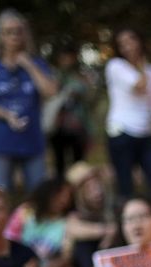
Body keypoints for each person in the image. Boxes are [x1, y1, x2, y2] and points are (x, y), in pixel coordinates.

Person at [0, 9, 58, 193]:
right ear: (0, 36)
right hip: (0, 141)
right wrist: (6, 115)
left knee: (39, 194)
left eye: (19, 31)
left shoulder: (36, 63)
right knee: (1, 194)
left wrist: (28, 64)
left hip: (32, 140)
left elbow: (50, 92)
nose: (15, 36)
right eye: (9, 32)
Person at [105, 28, 151, 204]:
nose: (127, 46)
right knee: (126, 189)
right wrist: (140, 65)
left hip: (146, 133)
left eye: (130, 40)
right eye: (122, 44)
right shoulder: (116, 67)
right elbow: (140, 85)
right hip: (122, 132)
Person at [4, 178, 79, 267]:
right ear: (47, 193)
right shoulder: (25, 212)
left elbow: (67, 254)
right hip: (21, 264)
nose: (64, 200)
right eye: (60, 194)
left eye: (68, 196)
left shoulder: (68, 220)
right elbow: (8, 241)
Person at [46, 44, 97, 178]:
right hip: (58, 126)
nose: (67, 61)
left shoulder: (81, 76)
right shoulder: (55, 75)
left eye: (69, 58)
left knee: (79, 163)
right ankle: (60, 189)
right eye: (63, 58)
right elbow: (51, 93)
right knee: (59, 162)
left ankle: (78, 188)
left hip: (77, 125)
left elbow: (87, 96)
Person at [64, 161, 117, 267]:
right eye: (88, 187)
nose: (96, 190)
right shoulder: (72, 211)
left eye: (96, 183)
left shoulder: (112, 205)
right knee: (83, 243)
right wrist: (105, 231)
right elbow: (73, 229)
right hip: (82, 262)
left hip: (108, 252)